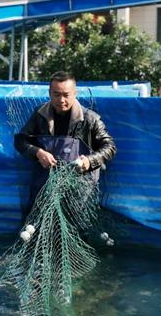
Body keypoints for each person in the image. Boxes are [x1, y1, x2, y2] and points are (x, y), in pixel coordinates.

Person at [14, 71, 116, 216]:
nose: (61, 100)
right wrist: (38, 152)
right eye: (56, 94)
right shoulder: (39, 115)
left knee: (79, 228)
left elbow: (109, 146)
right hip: (45, 187)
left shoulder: (90, 119)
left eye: (66, 95)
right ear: (50, 93)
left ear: (75, 93)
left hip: (80, 191)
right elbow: (20, 141)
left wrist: (90, 160)